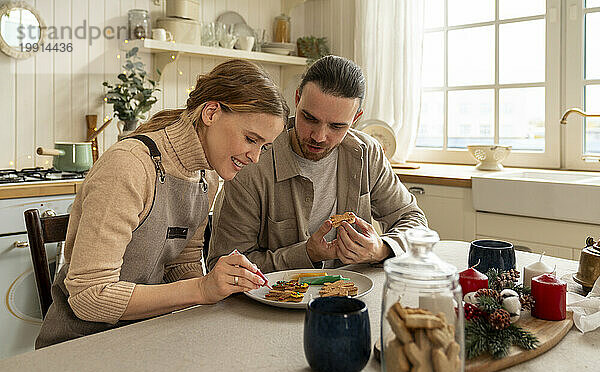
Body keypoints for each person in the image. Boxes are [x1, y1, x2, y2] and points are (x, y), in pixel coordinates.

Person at [36, 59, 289, 348]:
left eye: (264, 147)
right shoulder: (129, 166)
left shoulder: (207, 176)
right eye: (250, 139)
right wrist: (201, 289)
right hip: (79, 345)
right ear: (211, 113)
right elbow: (89, 298)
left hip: (145, 336)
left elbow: (183, 264)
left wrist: (214, 290)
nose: (255, 157)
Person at [207, 55, 427, 273]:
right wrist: (307, 254)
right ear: (297, 100)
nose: (319, 137)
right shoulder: (252, 161)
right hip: (273, 305)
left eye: (337, 126)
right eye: (310, 119)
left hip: (354, 298)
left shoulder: (368, 153)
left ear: (356, 119)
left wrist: (382, 248)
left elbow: (413, 220)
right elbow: (224, 266)